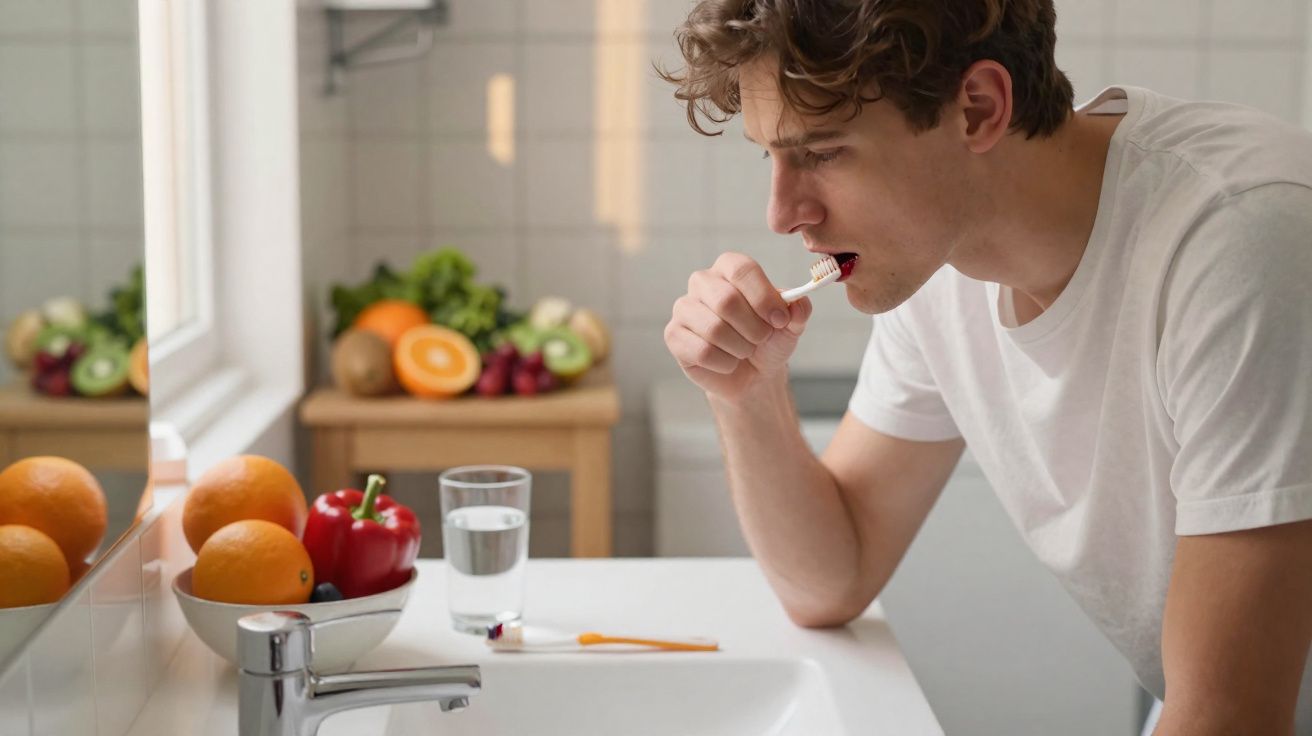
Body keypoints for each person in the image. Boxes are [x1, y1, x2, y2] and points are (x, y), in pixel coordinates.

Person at [658, 1, 1312, 732]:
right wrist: (747, 394)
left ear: (977, 109)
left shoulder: (1242, 242)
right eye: (770, 154)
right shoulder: (936, 258)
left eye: (821, 152)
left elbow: (1235, 717)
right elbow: (832, 578)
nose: (782, 213)